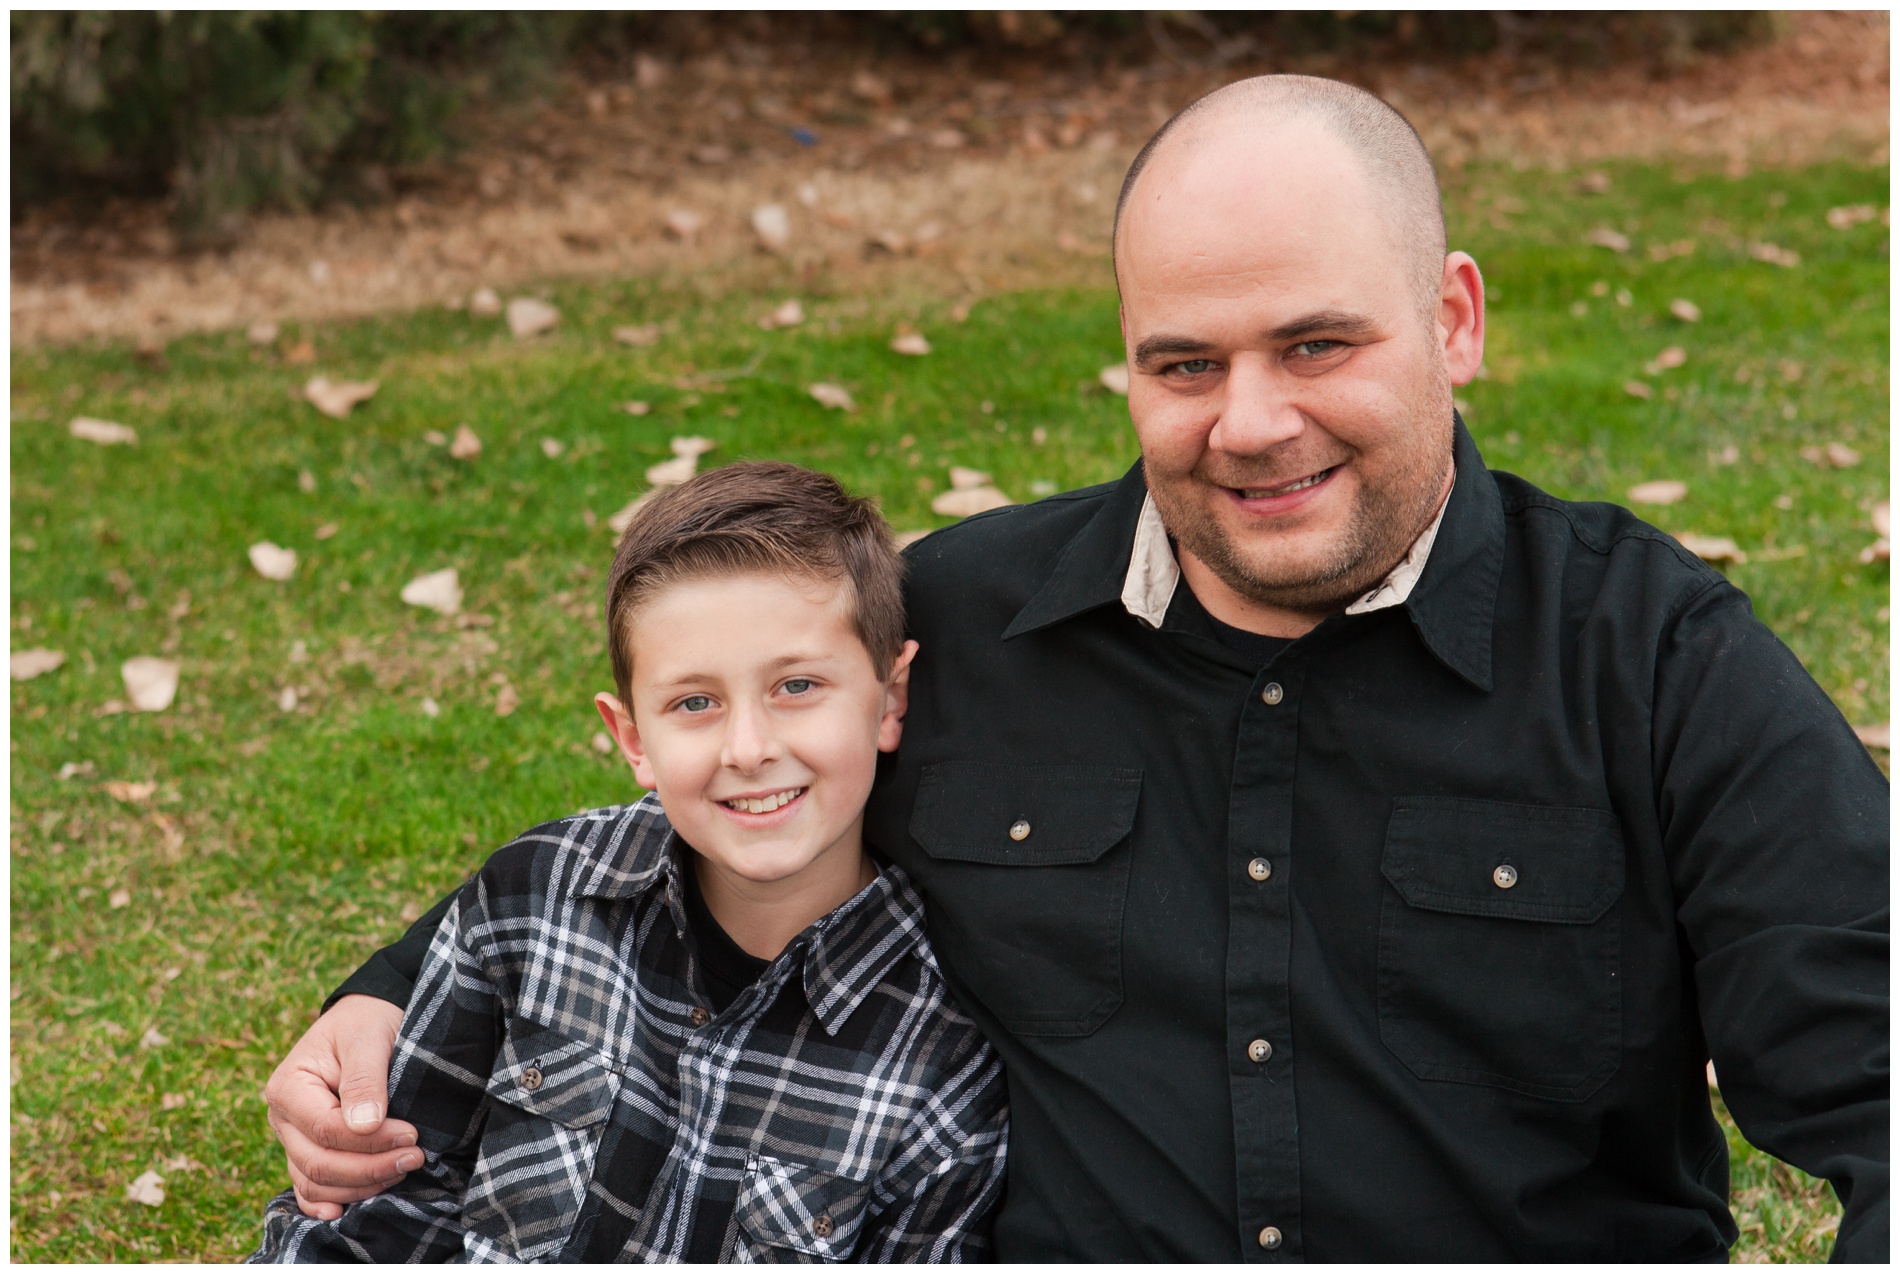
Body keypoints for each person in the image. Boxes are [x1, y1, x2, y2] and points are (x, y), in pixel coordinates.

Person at [263, 75, 1888, 1261]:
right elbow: (714, 809)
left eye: (1319, 344)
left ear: (1452, 320)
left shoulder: (1652, 655)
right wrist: (383, 992)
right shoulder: (960, 625)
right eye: (1187, 363)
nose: (1250, 421)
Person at [251, 463, 1007, 1262]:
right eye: (694, 703)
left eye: (797, 685)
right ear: (633, 738)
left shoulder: (942, 1060)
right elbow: (384, 1203)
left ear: (889, 698)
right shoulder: (532, 901)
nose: (748, 749)